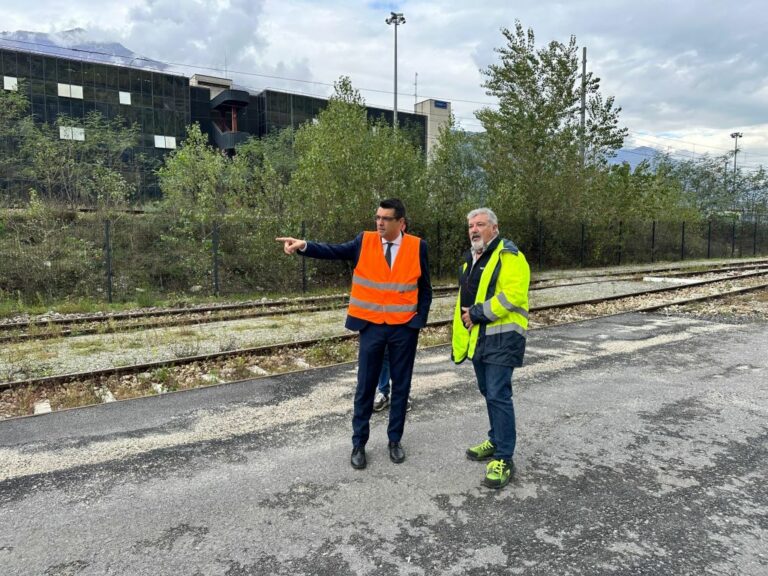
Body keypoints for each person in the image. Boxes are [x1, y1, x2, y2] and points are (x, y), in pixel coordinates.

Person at [277, 199, 432, 470]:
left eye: (386, 218)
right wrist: (304, 245)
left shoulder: (418, 246)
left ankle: (394, 440)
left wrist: (418, 321)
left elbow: (425, 289)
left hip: (404, 330)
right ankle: (359, 443)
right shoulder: (365, 241)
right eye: (377, 217)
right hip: (371, 327)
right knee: (365, 387)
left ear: (401, 223)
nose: (380, 222)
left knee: (402, 387)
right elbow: (334, 251)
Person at [451, 208, 530, 489]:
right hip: (480, 339)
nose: (474, 229)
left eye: (480, 224)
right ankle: (496, 439)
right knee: (489, 392)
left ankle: (504, 457)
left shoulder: (509, 255)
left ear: (494, 228)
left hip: (502, 337)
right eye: (471, 225)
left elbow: (512, 295)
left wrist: (477, 314)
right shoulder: (471, 260)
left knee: (498, 394)